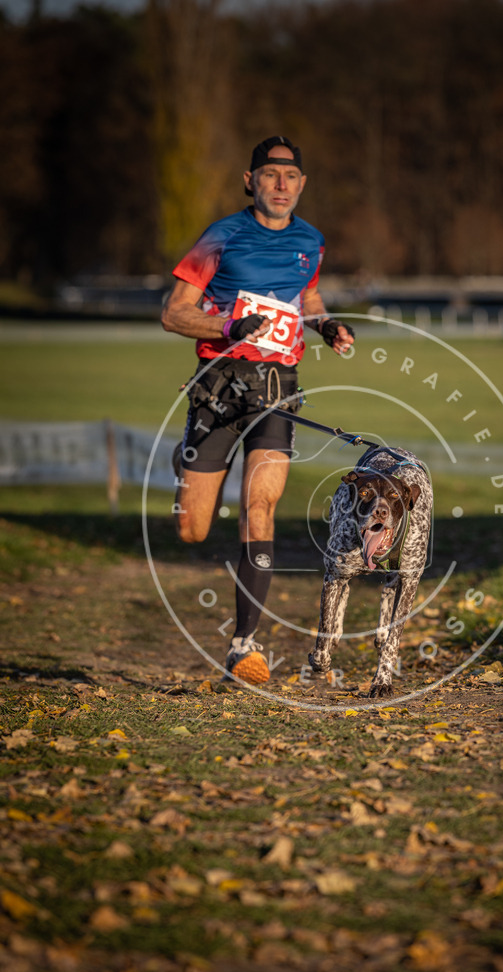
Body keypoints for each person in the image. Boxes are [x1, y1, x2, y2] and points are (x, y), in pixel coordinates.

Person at [161, 136, 355, 685]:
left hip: (278, 387)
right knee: (192, 531)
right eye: (269, 174)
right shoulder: (221, 237)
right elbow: (174, 314)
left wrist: (325, 325)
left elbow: (308, 298)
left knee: (260, 507)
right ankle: (187, 462)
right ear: (250, 181)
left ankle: (244, 646)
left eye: (290, 176)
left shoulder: (311, 241)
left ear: (302, 184)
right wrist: (226, 327)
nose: (280, 185)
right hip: (218, 388)